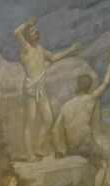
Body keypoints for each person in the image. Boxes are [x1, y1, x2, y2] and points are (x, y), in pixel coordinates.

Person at [52, 51, 110, 186]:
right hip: (86, 142)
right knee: (103, 164)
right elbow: (106, 83)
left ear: (77, 86)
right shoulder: (90, 99)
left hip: (72, 146)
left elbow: (55, 130)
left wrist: (59, 150)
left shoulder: (66, 105)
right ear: (88, 87)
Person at [14, 17, 81, 161]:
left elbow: (53, 57)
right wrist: (27, 23)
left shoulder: (40, 49)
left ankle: (38, 149)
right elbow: (15, 33)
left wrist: (71, 49)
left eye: (35, 29)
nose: (35, 31)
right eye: (32, 31)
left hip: (41, 88)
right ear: (27, 36)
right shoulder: (26, 48)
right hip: (31, 89)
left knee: (48, 119)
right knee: (30, 122)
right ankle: (29, 155)